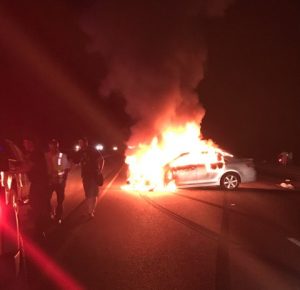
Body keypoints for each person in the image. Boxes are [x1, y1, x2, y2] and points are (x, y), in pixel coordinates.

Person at [22, 137, 49, 240]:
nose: (24, 145)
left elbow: (27, 167)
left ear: (30, 143)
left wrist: (12, 171)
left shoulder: (35, 154)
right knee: (36, 206)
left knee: (37, 207)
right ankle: (40, 231)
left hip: (39, 185)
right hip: (39, 184)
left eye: (25, 143)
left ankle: (40, 232)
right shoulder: (35, 154)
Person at [78, 137, 104, 218]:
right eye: (79, 143)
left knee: (94, 194)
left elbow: (102, 159)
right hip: (85, 176)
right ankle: (89, 211)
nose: (80, 144)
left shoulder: (92, 150)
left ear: (86, 143)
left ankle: (91, 212)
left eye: (81, 143)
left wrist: (100, 171)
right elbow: (76, 160)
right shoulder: (80, 151)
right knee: (88, 194)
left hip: (93, 175)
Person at [45, 139, 70, 223]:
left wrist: (63, 181)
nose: (53, 146)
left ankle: (58, 216)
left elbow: (66, 169)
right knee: (46, 199)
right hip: (48, 182)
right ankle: (50, 213)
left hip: (59, 182)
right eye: (51, 144)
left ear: (57, 145)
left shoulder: (62, 156)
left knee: (60, 201)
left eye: (55, 145)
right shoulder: (45, 155)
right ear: (49, 145)